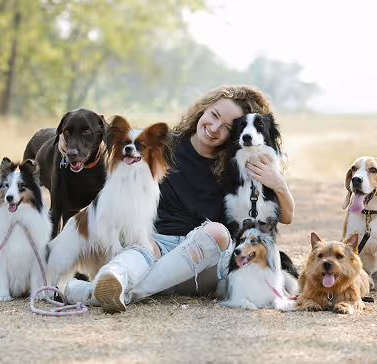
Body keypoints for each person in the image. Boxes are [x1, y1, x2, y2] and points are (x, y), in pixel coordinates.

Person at [63, 85, 295, 312]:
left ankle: (90, 292)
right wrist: (65, 146)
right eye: (213, 115)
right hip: (156, 245)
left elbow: (285, 216)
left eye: (226, 127)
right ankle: (112, 281)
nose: (214, 128)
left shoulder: (237, 165)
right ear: (203, 109)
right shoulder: (165, 144)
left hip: (205, 258)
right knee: (143, 244)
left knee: (217, 232)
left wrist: (279, 183)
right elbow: (115, 143)